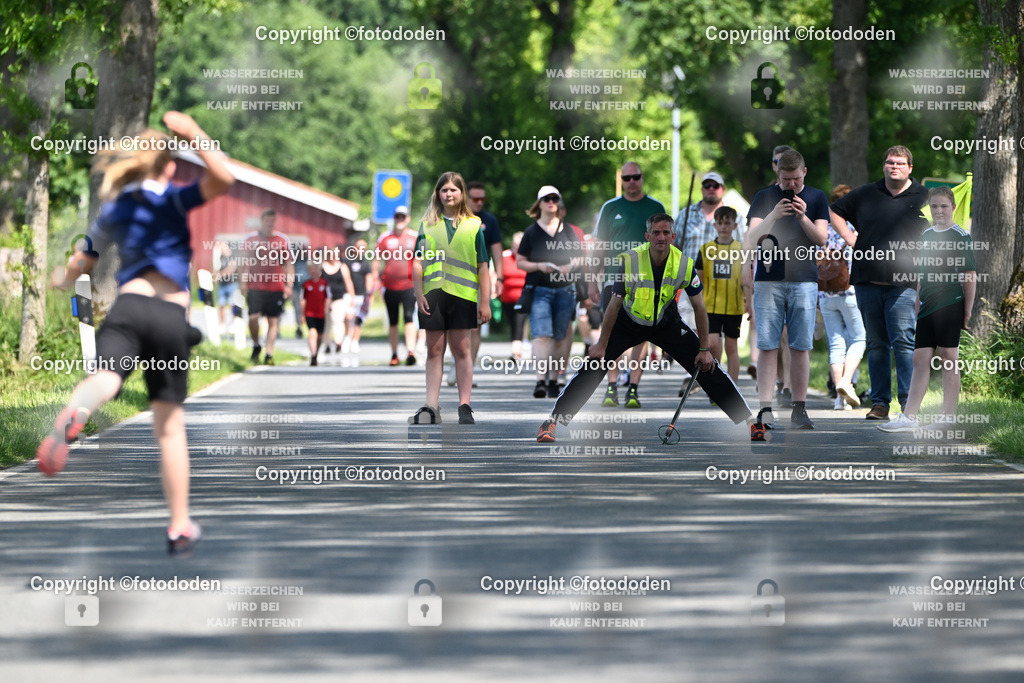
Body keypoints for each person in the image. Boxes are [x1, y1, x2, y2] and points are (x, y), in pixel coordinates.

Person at [37, 111, 233, 556]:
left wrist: (63, 278)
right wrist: (194, 134)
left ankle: (73, 416)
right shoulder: (174, 200)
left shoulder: (118, 208)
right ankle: (180, 525)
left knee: (105, 379)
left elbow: (83, 258)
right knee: (169, 429)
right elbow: (224, 178)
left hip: (128, 307)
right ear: (168, 166)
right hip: (168, 315)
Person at [537, 213, 750, 442]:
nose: (661, 237)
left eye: (666, 233)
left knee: (707, 366)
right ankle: (552, 422)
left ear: (673, 236)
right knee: (594, 365)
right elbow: (614, 303)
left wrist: (705, 349)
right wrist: (601, 345)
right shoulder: (630, 261)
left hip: (665, 323)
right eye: (656, 233)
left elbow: (699, 308)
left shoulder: (684, 264)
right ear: (647, 236)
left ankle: (750, 423)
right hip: (628, 321)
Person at [830, 145, 930, 421]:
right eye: (889, 162)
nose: (893, 166)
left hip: (905, 282)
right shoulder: (865, 194)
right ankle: (880, 404)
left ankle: (909, 405)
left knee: (904, 341)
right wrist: (851, 240)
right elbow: (834, 211)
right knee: (876, 343)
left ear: (910, 168)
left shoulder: (923, 196)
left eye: (899, 163)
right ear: (883, 166)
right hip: (867, 281)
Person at [743, 149, 829, 436]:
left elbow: (821, 238)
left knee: (800, 345)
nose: (791, 185)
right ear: (777, 174)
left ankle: (799, 407)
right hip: (769, 278)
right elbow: (751, 238)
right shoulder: (763, 197)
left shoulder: (816, 197)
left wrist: (803, 217)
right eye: (785, 179)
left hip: (803, 278)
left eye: (795, 178)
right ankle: (765, 407)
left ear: (804, 172)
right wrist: (773, 215)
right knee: (767, 344)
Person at [879, 187, 976, 432]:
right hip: (927, 305)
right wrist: (918, 301)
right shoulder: (927, 235)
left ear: (953, 207)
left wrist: (967, 310)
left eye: (944, 206)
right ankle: (909, 417)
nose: (939, 211)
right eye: (934, 206)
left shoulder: (959, 235)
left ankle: (948, 417)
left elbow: (969, 275)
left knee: (948, 357)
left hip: (950, 303)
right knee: (920, 358)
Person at [409, 172, 491, 425]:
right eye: (444, 190)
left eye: (454, 190)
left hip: (463, 296)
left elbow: (483, 266)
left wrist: (485, 301)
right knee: (434, 350)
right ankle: (431, 406)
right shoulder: (427, 225)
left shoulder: (474, 225)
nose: (449, 194)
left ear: (462, 194)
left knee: (462, 349)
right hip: (433, 295)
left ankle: (464, 405)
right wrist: (419, 292)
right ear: (438, 194)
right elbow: (418, 262)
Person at [589, 161, 667, 408]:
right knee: (610, 332)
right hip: (614, 278)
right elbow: (599, 246)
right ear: (621, 180)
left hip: (646, 281)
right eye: (627, 178)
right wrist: (592, 279)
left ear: (642, 177)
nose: (631, 182)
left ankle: (633, 387)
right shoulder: (610, 208)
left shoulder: (656, 207)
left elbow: (665, 245)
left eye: (635, 177)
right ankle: (611, 386)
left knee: (641, 336)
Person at [516, 186, 582, 398]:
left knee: (559, 336)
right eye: (547, 199)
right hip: (539, 290)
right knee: (541, 335)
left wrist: (570, 267)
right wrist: (539, 266)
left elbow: (580, 257)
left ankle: (554, 380)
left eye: (555, 198)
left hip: (565, 289)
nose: (551, 202)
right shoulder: (531, 231)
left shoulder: (568, 230)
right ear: (540, 204)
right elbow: (520, 261)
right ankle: (540, 381)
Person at [818, 185, 866, 410]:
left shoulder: (823, 230)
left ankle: (840, 399)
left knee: (836, 343)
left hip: (826, 293)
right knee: (858, 339)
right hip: (851, 292)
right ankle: (847, 382)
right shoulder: (855, 230)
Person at [694, 206, 746, 383]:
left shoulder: (742, 250)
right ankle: (716, 382)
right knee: (713, 344)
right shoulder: (705, 249)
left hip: (734, 306)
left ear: (735, 225)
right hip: (710, 306)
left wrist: (748, 300)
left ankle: (733, 389)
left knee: (732, 347)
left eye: (727, 223)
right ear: (715, 225)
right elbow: (699, 280)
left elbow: (746, 278)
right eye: (720, 223)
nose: (724, 227)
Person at [242, 209, 293, 365]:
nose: (269, 223)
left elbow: (289, 264)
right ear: (262, 221)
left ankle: (269, 353)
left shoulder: (282, 240)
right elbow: (244, 262)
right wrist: (243, 282)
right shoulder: (251, 239)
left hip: (276, 287)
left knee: (273, 321)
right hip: (256, 285)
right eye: (267, 221)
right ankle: (256, 344)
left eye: (272, 221)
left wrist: (289, 284)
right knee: (253, 318)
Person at [375, 206, 420, 366]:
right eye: (397, 217)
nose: (400, 220)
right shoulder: (385, 237)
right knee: (393, 320)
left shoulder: (415, 237)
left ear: (408, 218)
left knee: (409, 317)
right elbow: (376, 258)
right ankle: (394, 354)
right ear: (394, 218)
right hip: (390, 286)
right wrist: (375, 279)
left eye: (403, 217)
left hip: (409, 285)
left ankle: (410, 351)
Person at [341, 238, 374, 353]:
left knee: (359, 319)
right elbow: (347, 278)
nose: (361, 250)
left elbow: (369, 278)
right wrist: (351, 294)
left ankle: (355, 341)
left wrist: (370, 295)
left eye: (363, 248)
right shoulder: (347, 261)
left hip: (362, 295)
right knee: (348, 317)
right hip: (349, 294)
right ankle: (347, 337)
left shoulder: (365, 263)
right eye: (359, 247)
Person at [500, 231, 528, 360]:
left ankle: (516, 351)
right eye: (515, 246)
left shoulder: (529, 258)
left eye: (519, 246)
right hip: (507, 298)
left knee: (519, 322)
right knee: (513, 322)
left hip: (523, 297)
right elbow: (497, 273)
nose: (516, 249)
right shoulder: (505, 256)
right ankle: (516, 349)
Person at [322, 245, 354, 354]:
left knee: (338, 320)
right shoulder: (322, 267)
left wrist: (351, 297)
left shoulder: (342, 267)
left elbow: (348, 282)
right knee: (326, 323)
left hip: (339, 298)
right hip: (324, 299)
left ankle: (338, 342)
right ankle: (327, 344)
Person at [302, 260, 329, 366]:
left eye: (315, 269)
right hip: (309, 313)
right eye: (311, 269)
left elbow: (328, 297)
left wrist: (327, 308)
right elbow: (303, 299)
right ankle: (313, 354)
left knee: (320, 336)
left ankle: (316, 353)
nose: (314, 271)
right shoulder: (306, 284)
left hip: (321, 313)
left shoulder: (324, 283)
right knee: (312, 332)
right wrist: (302, 314)